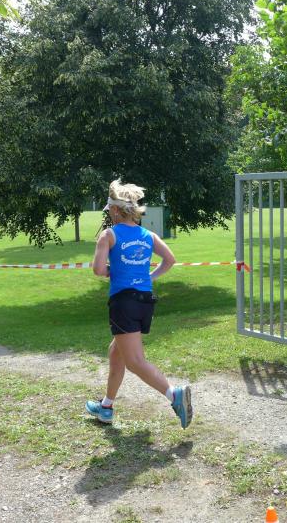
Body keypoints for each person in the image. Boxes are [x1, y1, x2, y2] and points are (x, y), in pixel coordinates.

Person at [85, 180, 193, 429]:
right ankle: (106, 407)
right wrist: (149, 277)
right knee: (116, 352)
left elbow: (98, 269)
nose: (108, 215)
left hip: (123, 302)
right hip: (145, 302)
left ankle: (174, 395)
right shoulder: (148, 235)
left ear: (115, 210)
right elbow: (170, 260)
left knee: (134, 361)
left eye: (109, 211)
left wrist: (113, 271)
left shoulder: (108, 235)